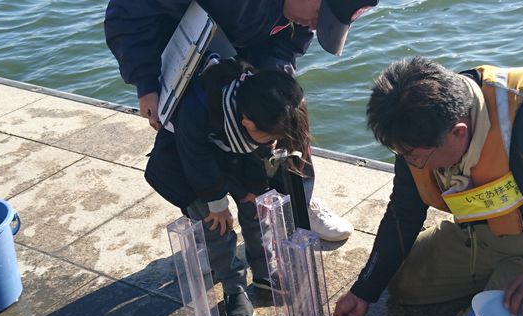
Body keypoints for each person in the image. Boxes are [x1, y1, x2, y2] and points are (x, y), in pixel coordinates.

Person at [332, 57, 523, 316]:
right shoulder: (414, 128)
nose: (412, 164)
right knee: (400, 284)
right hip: (483, 233)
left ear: (458, 132)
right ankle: (500, 280)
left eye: (415, 158)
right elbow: (403, 212)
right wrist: (363, 290)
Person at [104, 0, 379, 242]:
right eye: (320, 12)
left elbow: (286, 48)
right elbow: (126, 12)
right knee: (186, 145)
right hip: (187, 57)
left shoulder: (304, 16)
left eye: (327, 23)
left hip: (246, 51)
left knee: (286, 113)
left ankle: (298, 202)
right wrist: (146, 81)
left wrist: (271, 88)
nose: (316, 25)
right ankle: (205, 231)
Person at [143, 57, 310, 316]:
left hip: (230, 155)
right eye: (269, 137)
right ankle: (234, 287)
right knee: (216, 224)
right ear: (246, 122)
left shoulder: (261, 104)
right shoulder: (196, 108)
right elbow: (198, 162)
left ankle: (264, 270)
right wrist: (217, 202)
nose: (272, 142)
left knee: (256, 207)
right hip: (184, 166)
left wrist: (253, 191)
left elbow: (259, 150)